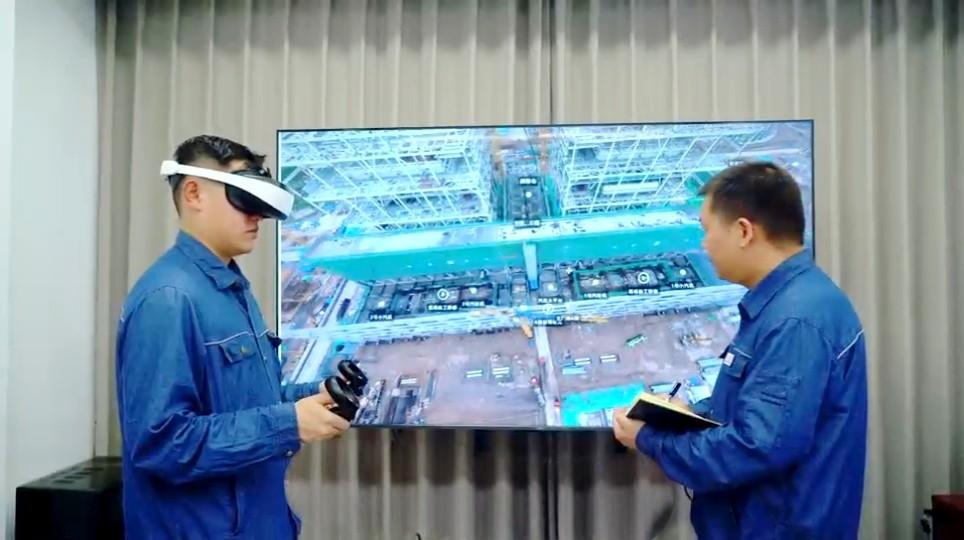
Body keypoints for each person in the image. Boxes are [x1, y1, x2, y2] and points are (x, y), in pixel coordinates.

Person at [613, 162, 867, 539]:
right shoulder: (796, 304)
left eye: (706, 229)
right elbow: (764, 418)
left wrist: (649, 439)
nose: (703, 244)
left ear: (744, 231)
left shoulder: (795, 321)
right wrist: (689, 415)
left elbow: (756, 447)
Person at [115, 135, 350, 539]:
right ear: (194, 193)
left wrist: (315, 394)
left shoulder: (229, 289)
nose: (257, 215)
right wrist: (289, 424)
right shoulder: (168, 299)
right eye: (244, 198)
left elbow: (244, 401)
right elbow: (163, 444)